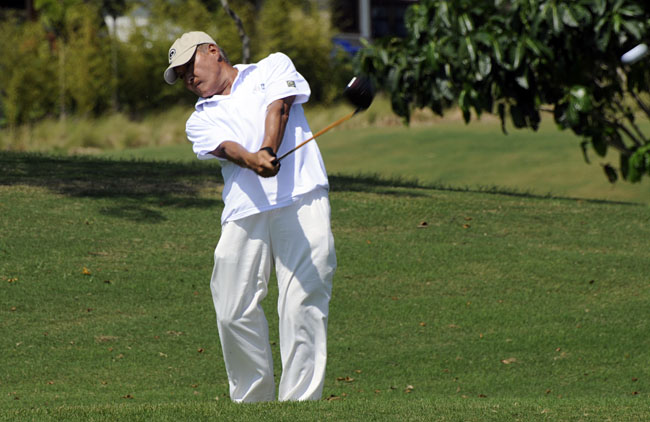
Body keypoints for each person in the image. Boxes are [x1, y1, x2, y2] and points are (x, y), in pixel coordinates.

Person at [163, 31, 337, 403]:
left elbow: (281, 107)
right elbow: (228, 148)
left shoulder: (272, 66)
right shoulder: (199, 119)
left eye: (189, 67)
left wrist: (268, 149)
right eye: (181, 77)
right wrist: (254, 160)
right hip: (245, 212)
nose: (188, 79)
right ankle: (252, 403)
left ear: (213, 51)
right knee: (231, 309)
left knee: (302, 303)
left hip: (302, 198)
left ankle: (300, 404)